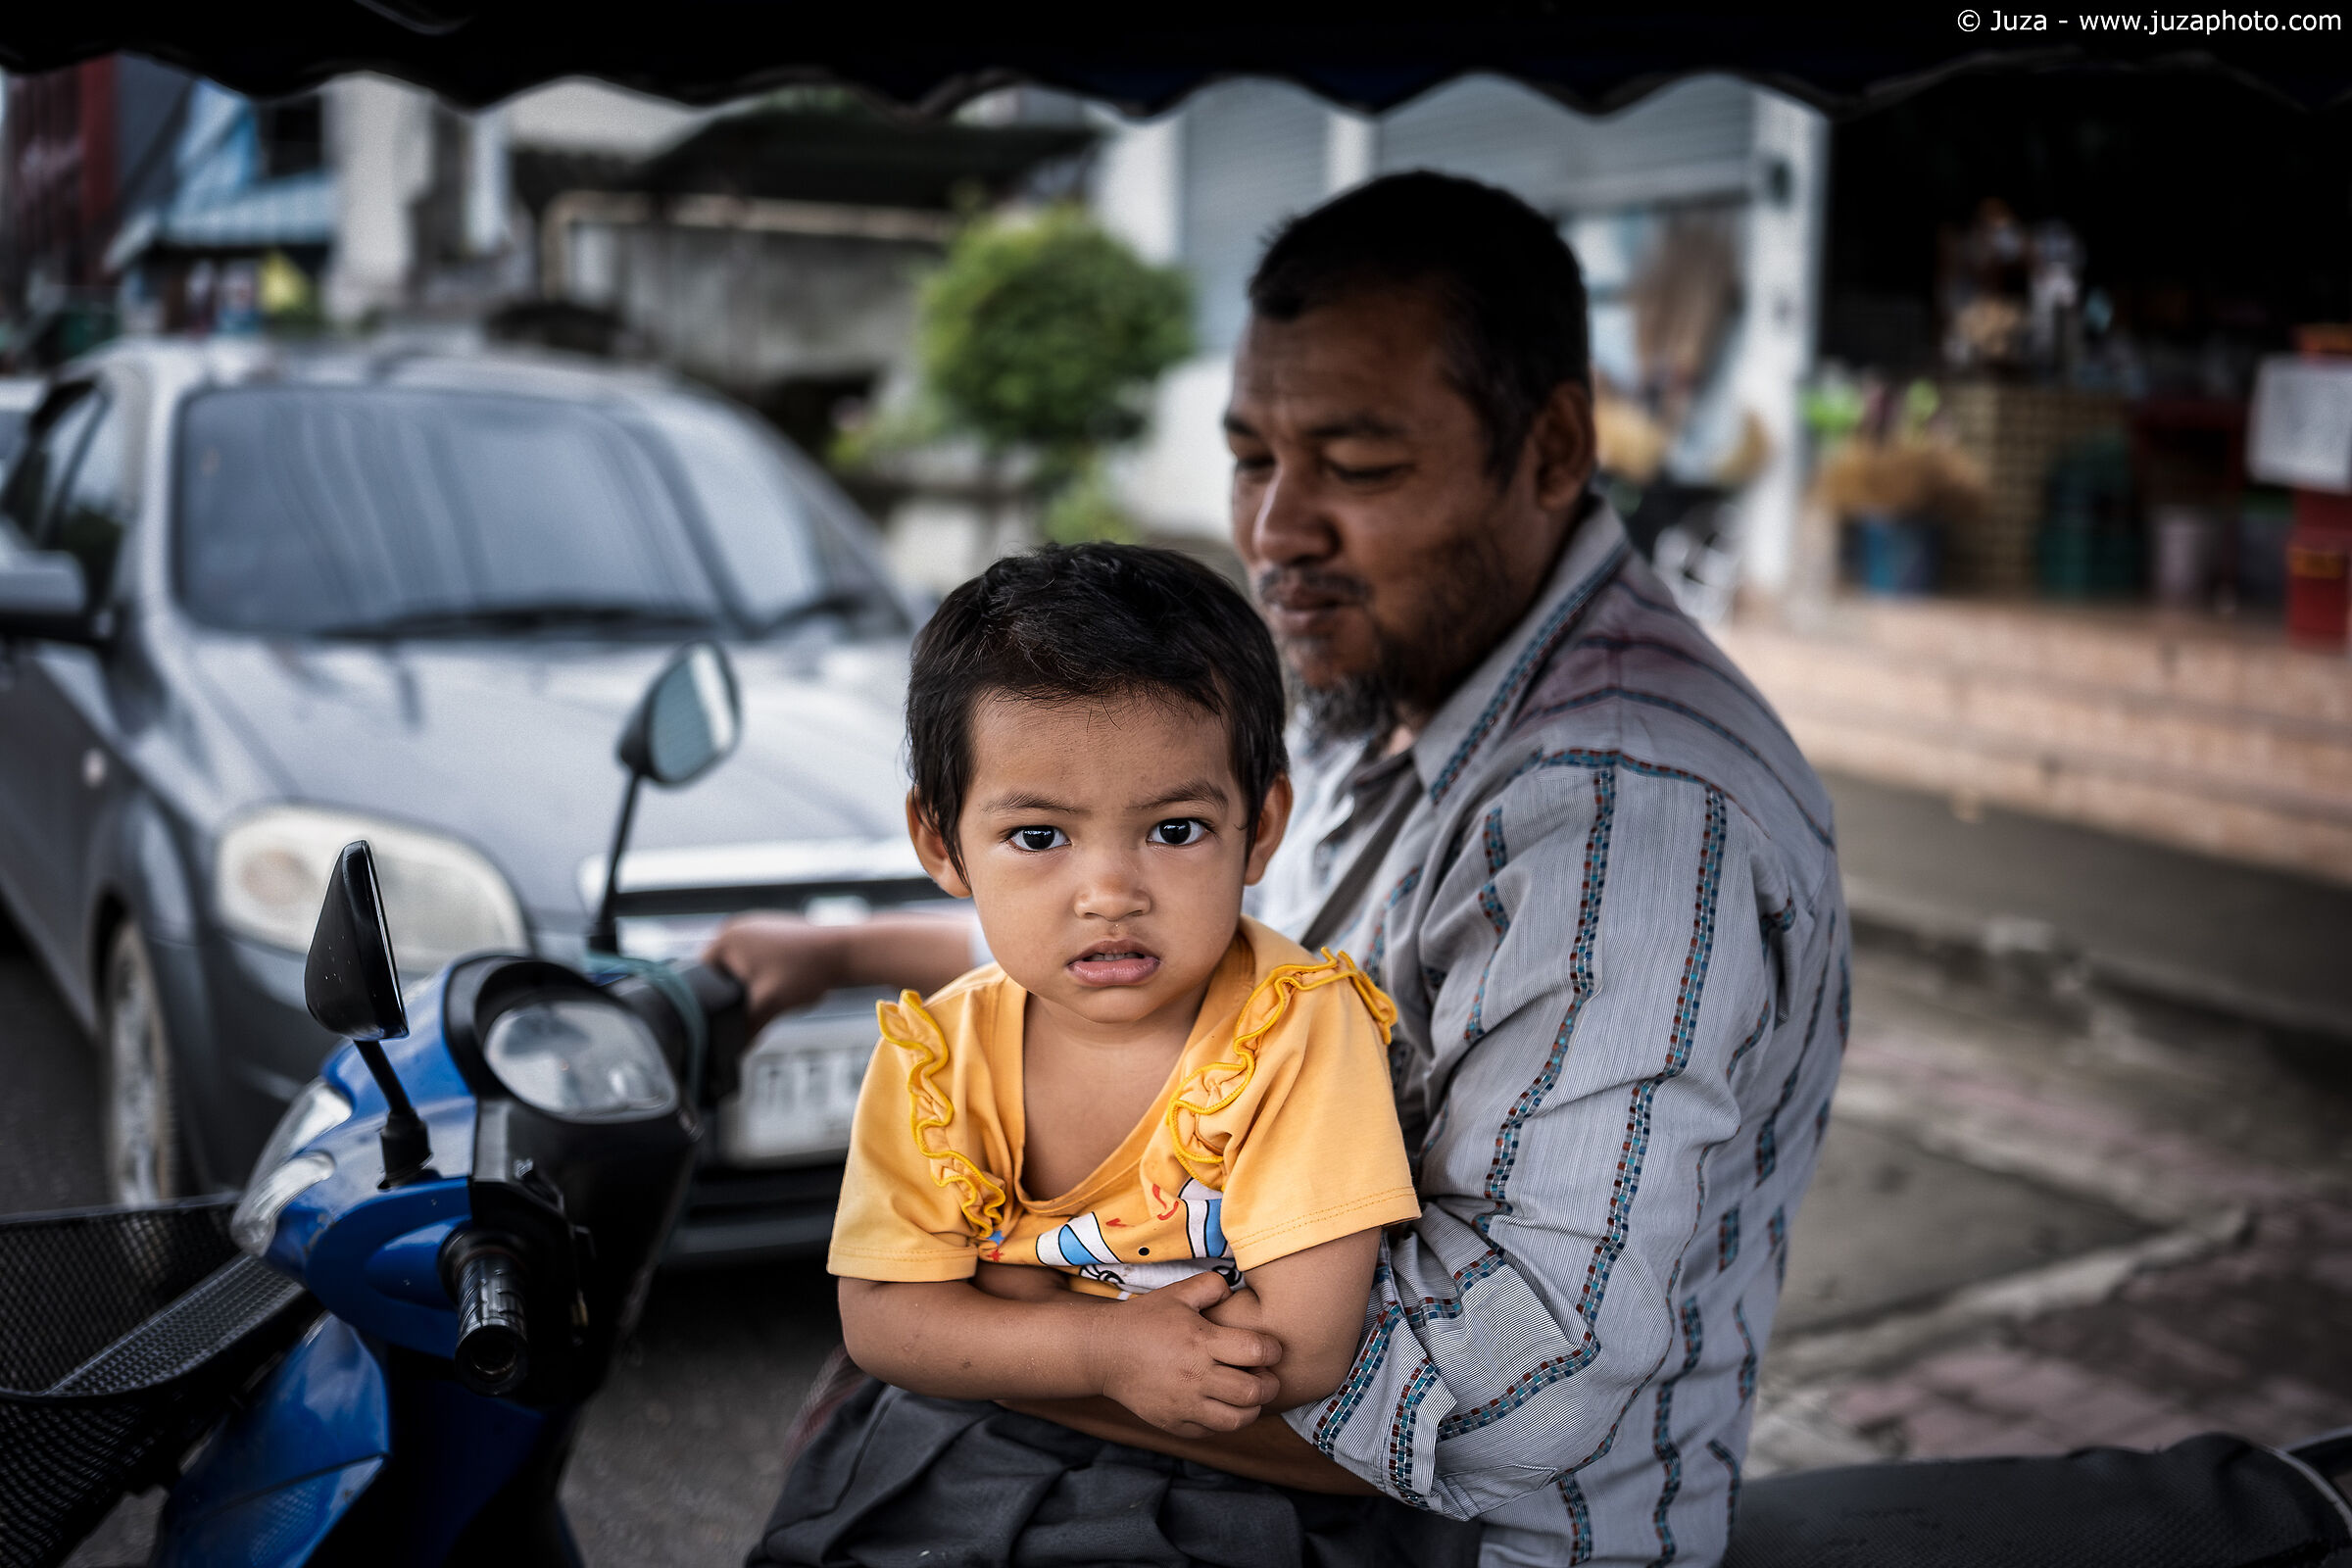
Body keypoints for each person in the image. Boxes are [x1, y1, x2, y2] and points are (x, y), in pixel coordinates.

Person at [720, 172, 1847, 1568]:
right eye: (1254, 460)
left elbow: (1513, 1395)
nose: (1275, 532)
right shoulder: (1394, 691)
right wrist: (838, 952)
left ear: (1553, 449)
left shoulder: (1622, 819)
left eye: (1357, 467)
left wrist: (1013, 1319)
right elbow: (1145, 956)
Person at [759, 543, 1469, 1568]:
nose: (1109, 893)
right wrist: (1100, 1346)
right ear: (941, 841)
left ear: (1261, 824)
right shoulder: (936, 1059)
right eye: (1039, 837)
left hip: (1246, 1481)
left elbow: (1303, 1350)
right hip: (980, 1443)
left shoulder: (1295, 1031)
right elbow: (882, 1321)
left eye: (1174, 829)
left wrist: (1003, 1310)